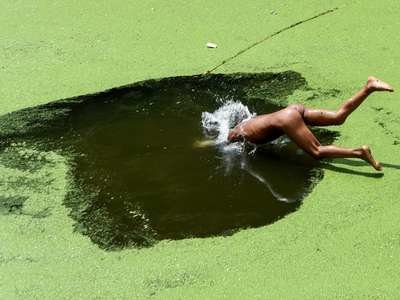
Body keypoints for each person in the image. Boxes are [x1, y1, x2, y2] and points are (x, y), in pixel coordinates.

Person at [227, 76, 394, 171]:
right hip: (292, 110)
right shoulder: (249, 123)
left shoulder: (241, 134)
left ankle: (359, 153)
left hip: (287, 119)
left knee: (317, 152)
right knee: (338, 117)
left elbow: (224, 142)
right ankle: (369, 87)